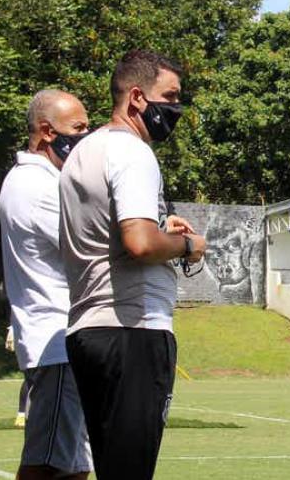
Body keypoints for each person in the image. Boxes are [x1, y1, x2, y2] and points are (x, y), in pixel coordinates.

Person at [60, 50, 206, 480]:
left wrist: (162, 227)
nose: (177, 108)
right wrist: (187, 245)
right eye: (171, 96)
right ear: (138, 97)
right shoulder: (133, 152)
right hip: (133, 329)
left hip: (89, 329)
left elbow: (109, 233)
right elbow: (139, 243)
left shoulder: (83, 153)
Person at [0, 89, 92, 479]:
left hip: (68, 344)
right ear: (46, 131)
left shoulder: (44, 181)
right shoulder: (38, 186)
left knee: (73, 465)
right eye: (79, 128)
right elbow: (94, 244)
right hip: (57, 345)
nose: (87, 136)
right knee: (47, 465)